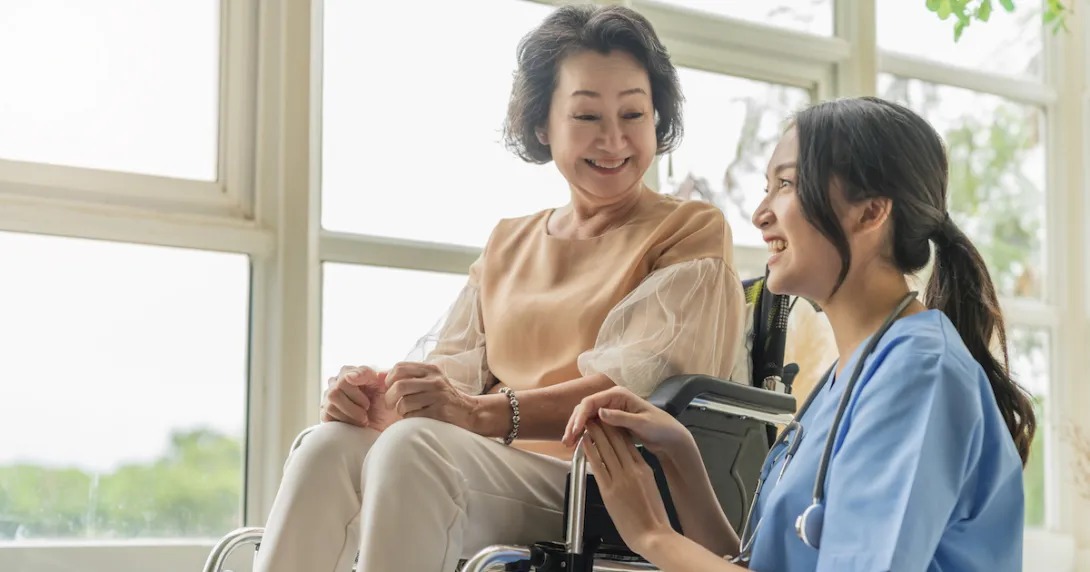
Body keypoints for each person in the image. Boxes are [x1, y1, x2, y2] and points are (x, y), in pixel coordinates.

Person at [252, 5, 748, 572]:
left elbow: (625, 393)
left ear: (657, 118)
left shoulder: (689, 230)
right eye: (587, 116)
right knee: (328, 446)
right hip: (486, 465)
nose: (614, 139)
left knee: (415, 449)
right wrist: (371, 398)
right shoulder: (508, 242)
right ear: (543, 125)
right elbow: (448, 386)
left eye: (633, 112)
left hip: (603, 484)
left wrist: (479, 414)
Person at [563, 96, 1037, 571]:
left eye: (786, 184)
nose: (760, 213)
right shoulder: (848, 377)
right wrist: (680, 456)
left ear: (870, 212)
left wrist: (653, 535)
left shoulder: (919, 372)